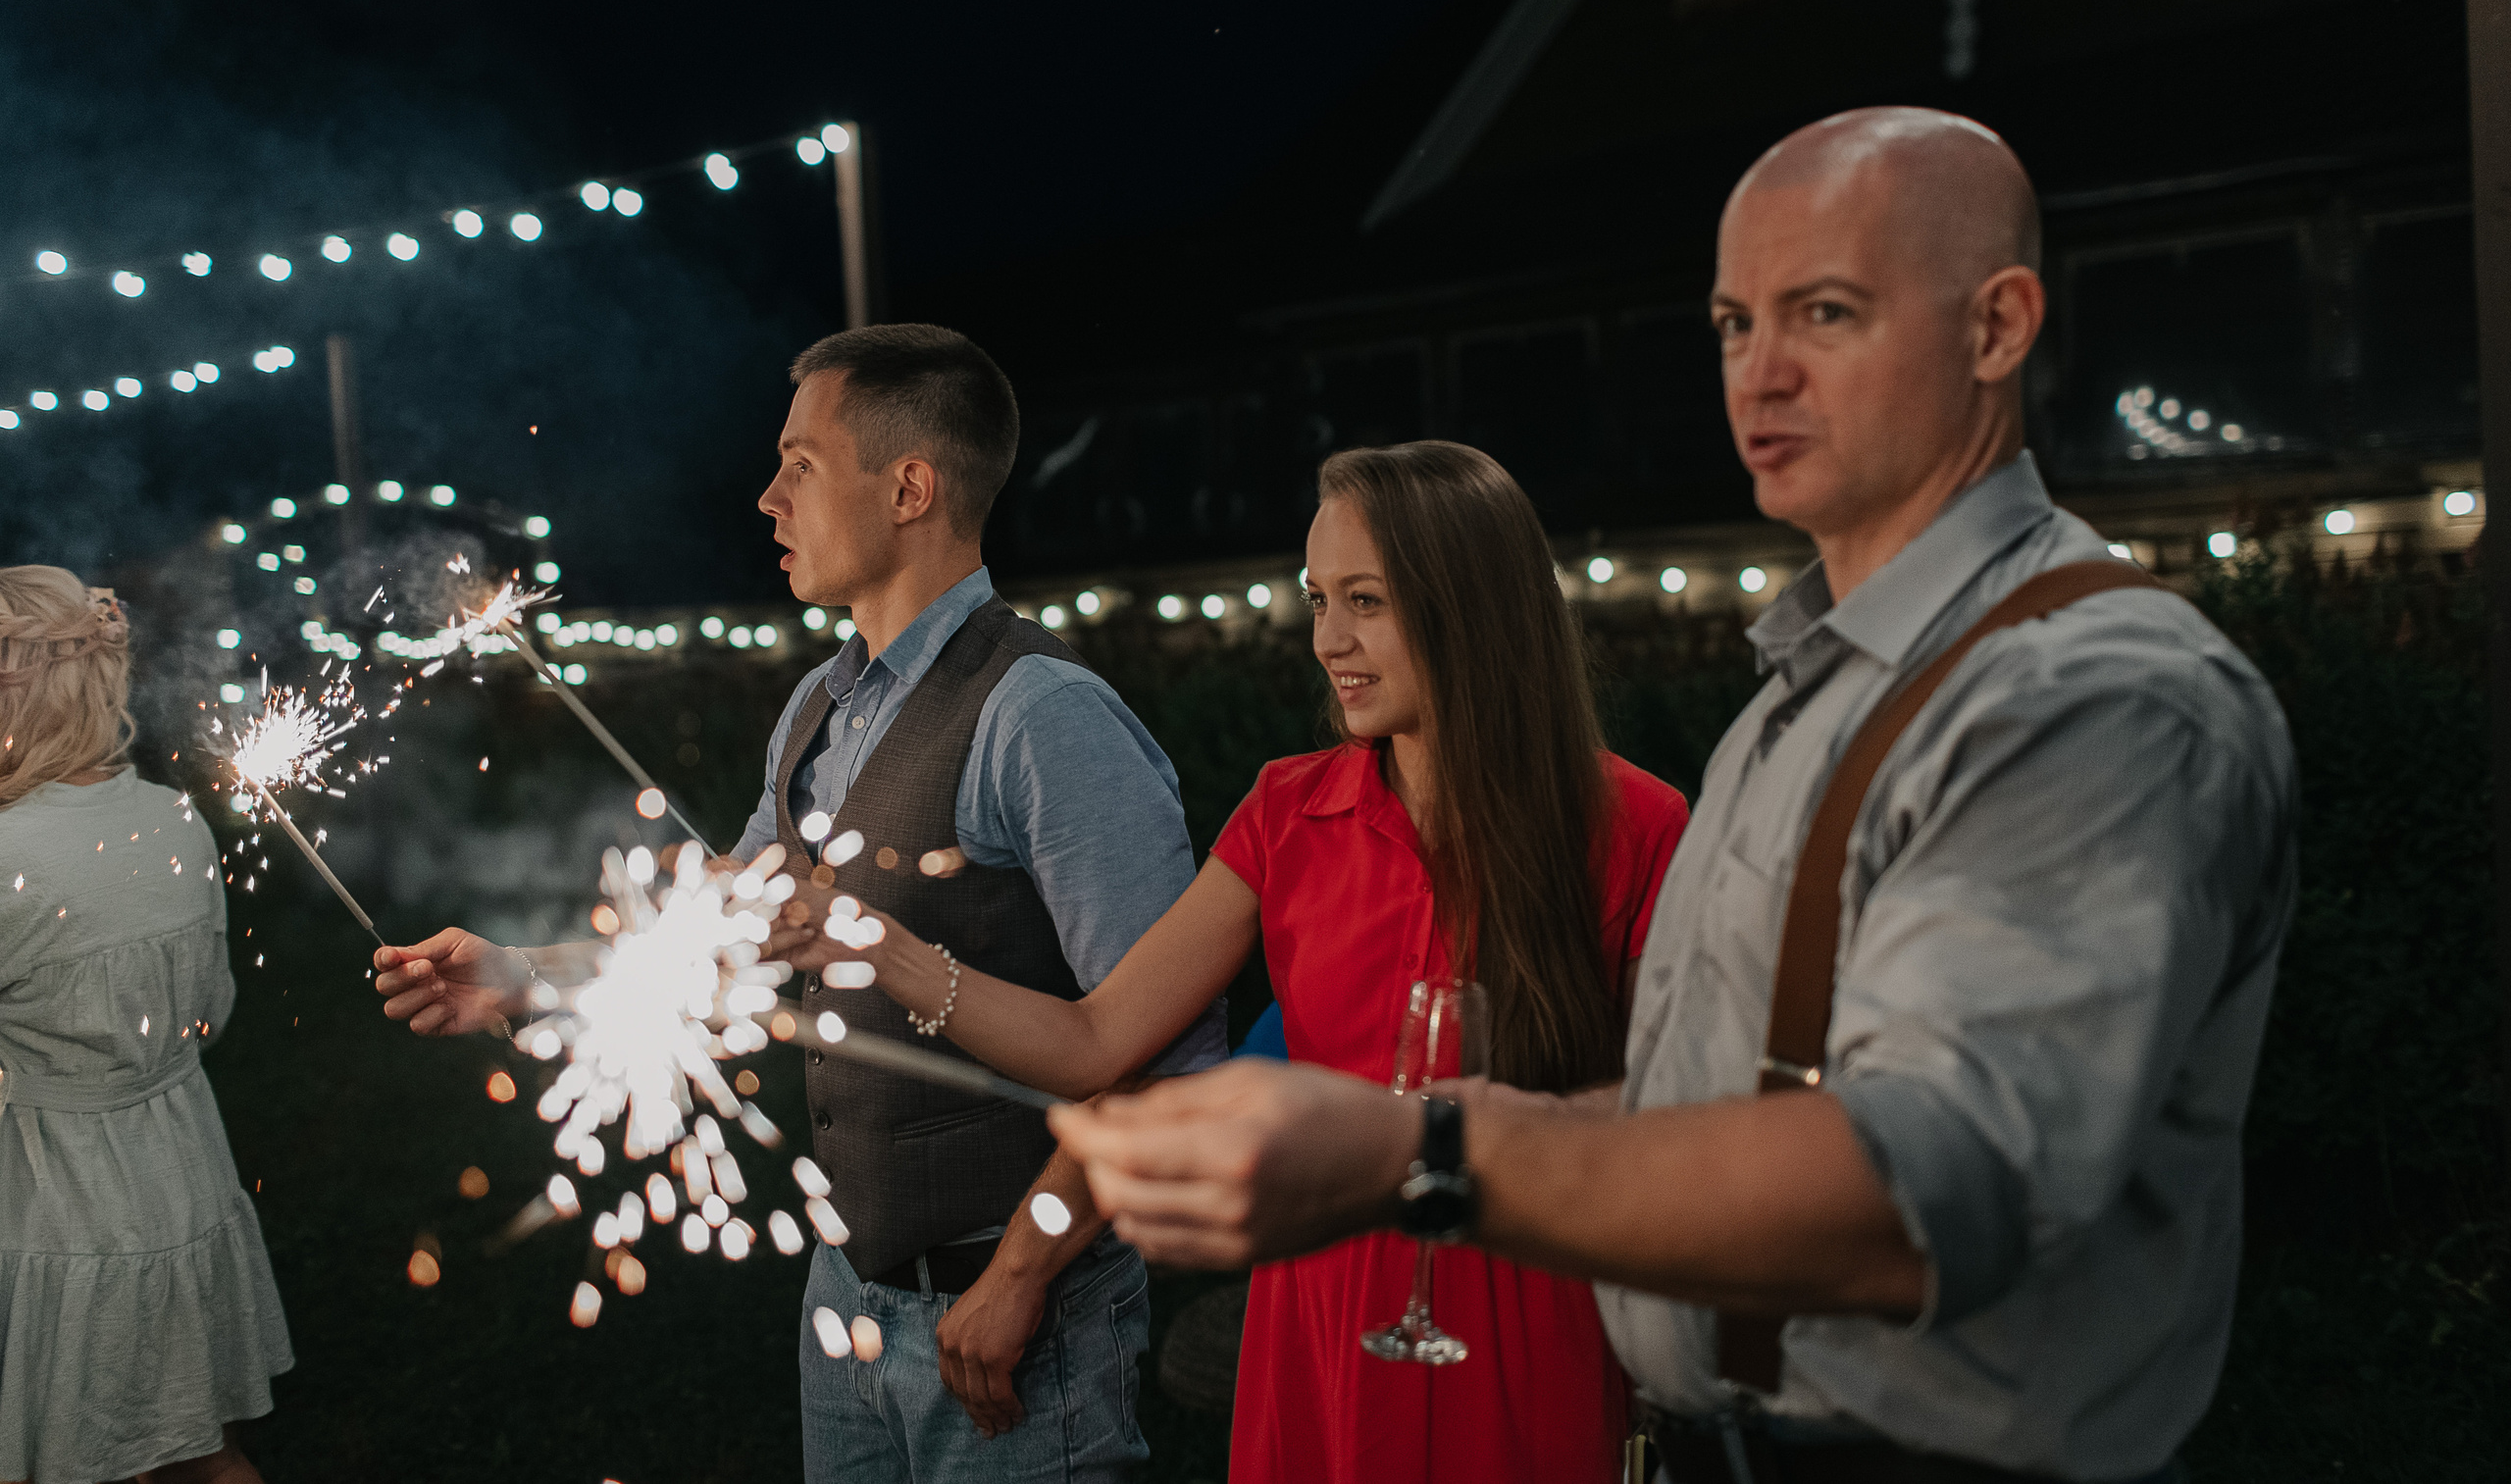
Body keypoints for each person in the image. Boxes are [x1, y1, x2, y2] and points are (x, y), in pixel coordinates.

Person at [1043, 109, 2298, 1484]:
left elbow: (1932, 1189)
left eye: (1825, 312)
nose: (1761, 371)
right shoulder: (1805, 703)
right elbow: (1706, 1101)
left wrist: (1418, 1151)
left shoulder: (2084, 693)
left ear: (1997, 327)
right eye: (1732, 323)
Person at [374, 324, 1217, 1483]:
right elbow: (725, 943)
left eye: (800, 466)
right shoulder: (819, 705)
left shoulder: (1041, 715)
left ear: (909, 489)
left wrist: (1021, 1276)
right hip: (845, 1298)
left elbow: (1162, 1046)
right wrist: (523, 975)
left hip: (1022, 1314)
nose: (769, 500)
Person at [770, 440, 1691, 1484]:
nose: (1328, 639)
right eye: (1318, 600)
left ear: (1473, 608)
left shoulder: (1637, 826)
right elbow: (1097, 1040)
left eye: (1366, 601)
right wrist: (878, 945)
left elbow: (1680, 1112)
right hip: (1322, 1313)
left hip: (1528, 1310)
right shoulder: (1287, 812)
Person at [0, 568, 292, 1484]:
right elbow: (212, 1010)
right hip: (181, 1176)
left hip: (48, 1208)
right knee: (201, 1453)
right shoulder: (174, 816)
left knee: (54, 1452)